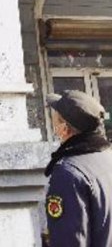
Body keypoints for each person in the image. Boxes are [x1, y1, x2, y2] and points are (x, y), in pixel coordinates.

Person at [43, 90, 112, 247]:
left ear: (64, 129)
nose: (54, 128)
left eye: (55, 122)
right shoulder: (108, 157)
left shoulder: (68, 173)